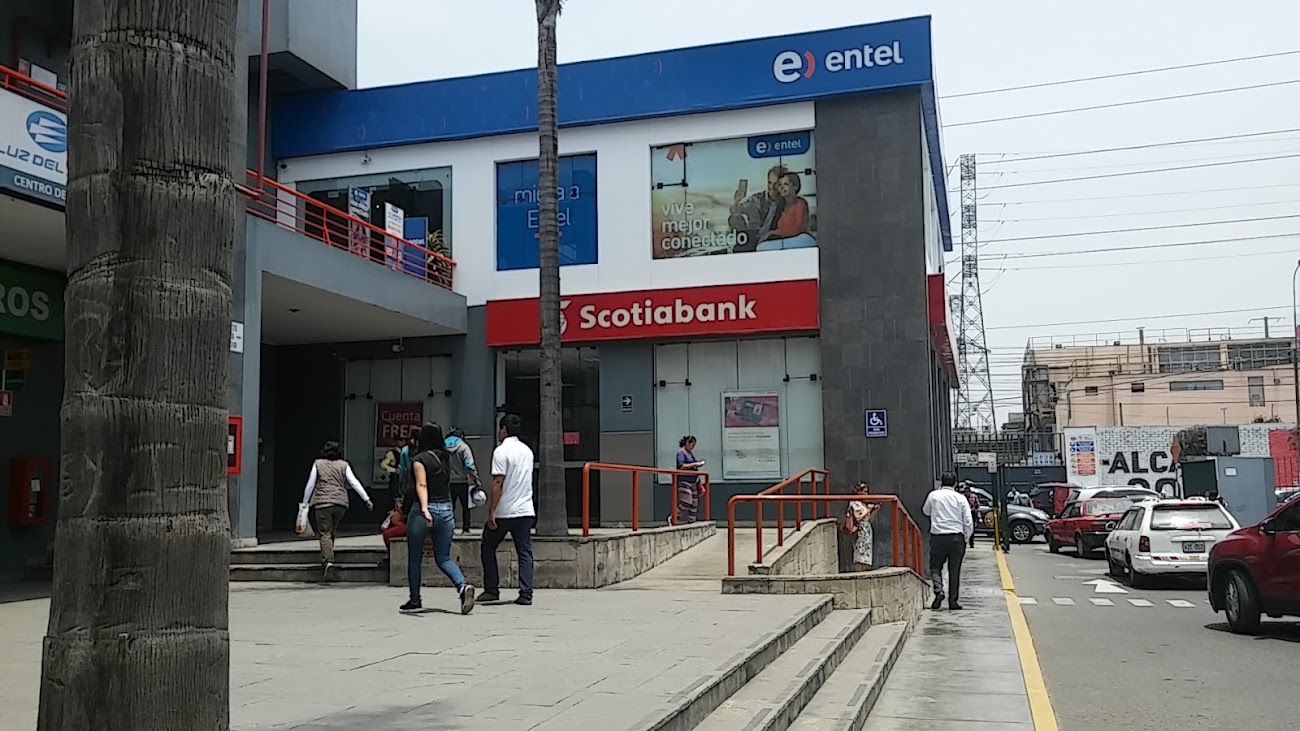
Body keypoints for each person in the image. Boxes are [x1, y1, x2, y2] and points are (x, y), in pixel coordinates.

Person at [401, 422, 476, 615]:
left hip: (424, 511)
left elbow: (421, 485)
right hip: (446, 510)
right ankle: (462, 586)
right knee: (443, 557)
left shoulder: (419, 460)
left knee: (415, 557)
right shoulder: (446, 457)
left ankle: (415, 598)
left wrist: (424, 509)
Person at [480, 414, 536, 606]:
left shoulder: (501, 451)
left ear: (503, 429)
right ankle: (526, 592)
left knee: (488, 546)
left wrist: (492, 511)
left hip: (505, 510)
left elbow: (498, 482)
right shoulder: (527, 451)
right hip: (525, 509)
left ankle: (491, 589)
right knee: (524, 551)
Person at [301, 440, 372, 579]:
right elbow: (354, 482)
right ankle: (328, 554)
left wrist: (305, 503)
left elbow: (310, 485)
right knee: (331, 530)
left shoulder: (318, 464)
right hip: (340, 504)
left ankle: (328, 561)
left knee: (324, 533)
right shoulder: (344, 465)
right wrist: (366, 499)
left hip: (322, 503)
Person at [923, 472, 975, 611]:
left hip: (938, 536)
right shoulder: (960, 498)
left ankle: (938, 590)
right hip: (956, 537)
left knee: (935, 566)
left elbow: (926, 511)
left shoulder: (933, 495)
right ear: (955, 483)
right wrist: (966, 538)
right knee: (954, 569)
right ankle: (953, 601)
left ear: (941, 482)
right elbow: (968, 521)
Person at [445, 426, 483, 534]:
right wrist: (476, 479)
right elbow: (469, 465)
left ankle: (449, 527)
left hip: (448, 482)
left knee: (450, 506)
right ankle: (466, 528)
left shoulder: (443, 446)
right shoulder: (463, 447)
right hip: (462, 481)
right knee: (466, 506)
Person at [845, 482, 880, 571]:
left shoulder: (863, 504)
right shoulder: (854, 503)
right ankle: (859, 571)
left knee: (866, 554)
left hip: (866, 530)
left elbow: (869, 519)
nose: (866, 494)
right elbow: (858, 517)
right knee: (859, 553)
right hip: (859, 530)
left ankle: (865, 569)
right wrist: (868, 510)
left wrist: (874, 511)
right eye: (864, 491)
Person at [674, 435, 706, 524]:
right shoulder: (681, 453)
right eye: (692, 445)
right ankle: (674, 517)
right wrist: (694, 464)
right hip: (684, 480)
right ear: (687, 443)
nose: (693, 447)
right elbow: (681, 466)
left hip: (693, 481)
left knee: (694, 503)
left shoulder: (690, 454)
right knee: (686, 501)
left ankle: (692, 521)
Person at [959, 484, 981, 548]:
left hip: (972, 512)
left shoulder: (974, 497)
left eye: (968, 491)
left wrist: (978, 514)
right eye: (966, 491)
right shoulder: (962, 497)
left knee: (972, 528)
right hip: (964, 513)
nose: (967, 493)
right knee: (963, 528)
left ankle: (971, 543)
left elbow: (977, 506)